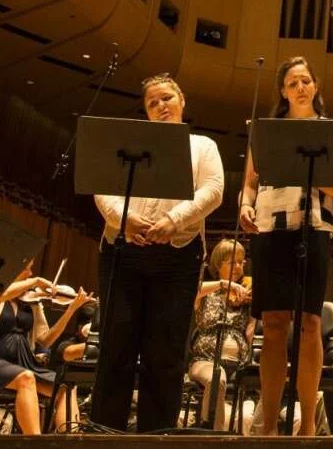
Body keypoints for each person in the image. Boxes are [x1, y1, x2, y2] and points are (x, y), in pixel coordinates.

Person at [92, 73, 224, 432]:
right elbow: (103, 186)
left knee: (165, 354)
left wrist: (174, 220)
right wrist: (123, 219)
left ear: (182, 101)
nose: (161, 105)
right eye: (153, 103)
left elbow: (213, 190)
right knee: (115, 348)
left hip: (178, 257)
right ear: (147, 112)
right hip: (122, 251)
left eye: (167, 98)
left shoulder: (203, 146)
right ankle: (104, 435)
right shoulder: (128, 142)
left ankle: (156, 436)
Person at [238, 56, 333, 435]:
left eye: (305, 81)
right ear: (283, 92)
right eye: (292, 83)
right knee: (272, 324)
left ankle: (307, 429)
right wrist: (244, 205)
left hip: (313, 227)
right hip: (270, 227)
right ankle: (269, 426)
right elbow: (250, 184)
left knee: (310, 323)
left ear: (315, 86)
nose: (300, 88)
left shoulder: (329, 130)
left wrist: (305, 170)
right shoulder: (266, 131)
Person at [0, 265, 91, 433]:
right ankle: (34, 441)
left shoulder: (31, 302)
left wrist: (71, 310)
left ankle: (69, 439)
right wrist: (35, 281)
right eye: (26, 268)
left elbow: (45, 341)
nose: (30, 273)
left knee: (66, 385)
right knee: (26, 377)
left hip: (24, 362)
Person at [187, 239, 254, 431]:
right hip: (205, 361)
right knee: (217, 378)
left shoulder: (246, 294)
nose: (238, 267)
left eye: (241, 262)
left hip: (240, 364)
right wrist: (224, 284)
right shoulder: (207, 293)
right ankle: (212, 434)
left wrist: (256, 307)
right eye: (232, 262)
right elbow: (192, 290)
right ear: (218, 264)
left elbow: (250, 333)